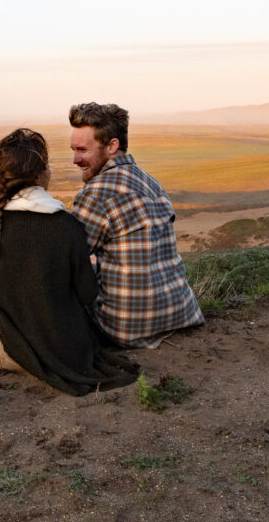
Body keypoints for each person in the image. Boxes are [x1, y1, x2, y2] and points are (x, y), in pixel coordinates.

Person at [0, 128, 138, 394]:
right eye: (46, 165)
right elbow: (87, 294)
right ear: (39, 175)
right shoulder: (67, 225)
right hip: (70, 349)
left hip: (12, 355)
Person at [67, 102, 204, 347]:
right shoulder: (150, 182)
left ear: (112, 146)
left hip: (123, 328)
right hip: (180, 313)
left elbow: (65, 259)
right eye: (73, 150)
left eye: (82, 150)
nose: (75, 159)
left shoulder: (95, 195)